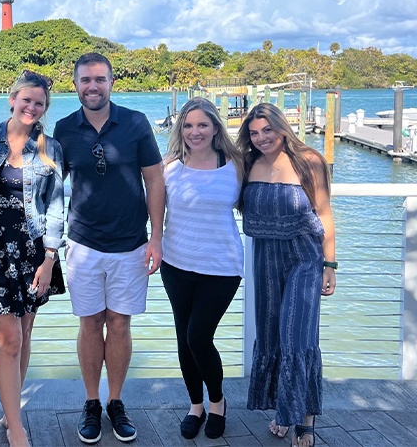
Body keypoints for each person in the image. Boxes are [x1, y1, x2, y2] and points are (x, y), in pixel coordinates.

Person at [53, 52, 165, 444]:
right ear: (76, 84)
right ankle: (90, 402)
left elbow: (154, 180)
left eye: (100, 79)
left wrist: (156, 237)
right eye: (85, 80)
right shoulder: (64, 129)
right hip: (82, 243)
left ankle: (115, 401)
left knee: (119, 323)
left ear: (112, 82)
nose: (93, 86)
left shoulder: (135, 123)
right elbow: (47, 184)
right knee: (89, 323)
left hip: (131, 244)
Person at [237, 103, 337, 447]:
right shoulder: (247, 162)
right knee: (271, 337)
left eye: (267, 130)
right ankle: (283, 409)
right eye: (254, 132)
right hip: (265, 256)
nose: (261, 138)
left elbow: (324, 212)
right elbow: (200, 160)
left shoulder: (308, 161)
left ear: (282, 128)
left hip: (304, 257)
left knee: (298, 337)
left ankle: (304, 419)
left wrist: (330, 264)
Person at [0, 70, 65, 447]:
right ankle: (16, 428)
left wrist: (49, 259)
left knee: (25, 332)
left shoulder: (50, 146)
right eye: (26, 99)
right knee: (8, 338)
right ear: (12, 99)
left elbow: (57, 204)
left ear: (45, 108)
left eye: (39, 103)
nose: (32, 107)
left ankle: (11, 411)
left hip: (33, 251)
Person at [161, 97, 244, 440]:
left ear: (215, 128)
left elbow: (264, 197)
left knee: (199, 336)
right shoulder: (168, 167)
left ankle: (218, 401)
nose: (195, 132)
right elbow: (148, 211)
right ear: (181, 129)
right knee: (184, 339)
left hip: (222, 266)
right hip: (176, 263)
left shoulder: (237, 164)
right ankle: (195, 405)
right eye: (188, 125)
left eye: (202, 125)